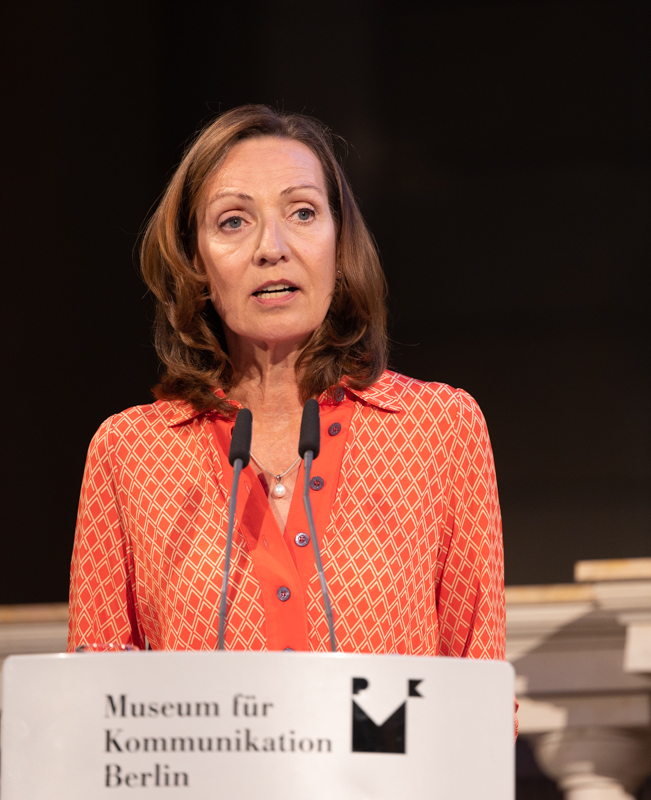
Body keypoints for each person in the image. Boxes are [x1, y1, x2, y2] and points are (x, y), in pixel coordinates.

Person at [67, 105, 503, 663]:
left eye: (302, 212)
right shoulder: (129, 453)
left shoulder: (439, 430)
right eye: (233, 221)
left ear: (339, 246)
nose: (271, 247)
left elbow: (479, 684)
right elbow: (94, 691)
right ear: (195, 264)